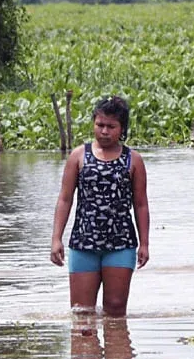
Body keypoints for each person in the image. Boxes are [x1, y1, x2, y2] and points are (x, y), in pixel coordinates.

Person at [51, 96, 150, 316]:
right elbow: (65, 199)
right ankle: (86, 351)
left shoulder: (133, 160)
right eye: (100, 125)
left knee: (115, 310)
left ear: (122, 128)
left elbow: (141, 204)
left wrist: (144, 243)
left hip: (121, 243)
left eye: (111, 126)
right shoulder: (79, 156)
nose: (104, 131)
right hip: (83, 242)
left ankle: (118, 348)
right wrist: (56, 238)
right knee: (81, 312)